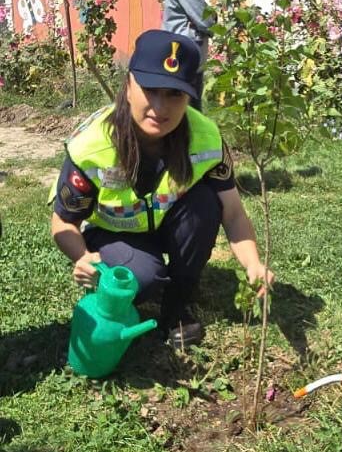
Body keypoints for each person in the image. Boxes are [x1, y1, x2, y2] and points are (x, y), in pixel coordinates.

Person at [50, 29, 272, 350]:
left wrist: (253, 264)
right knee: (142, 280)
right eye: (150, 89)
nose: (160, 106)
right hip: (112, 233)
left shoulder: (206, 138)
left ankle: (178, 305)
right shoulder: (92, 146)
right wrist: (83, 257)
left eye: (174, 94)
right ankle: (139, 279)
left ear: (189, 97)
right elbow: (63, 222)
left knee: (206, 204)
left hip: (169, 222)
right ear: (128, 86)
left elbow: (234, 214)